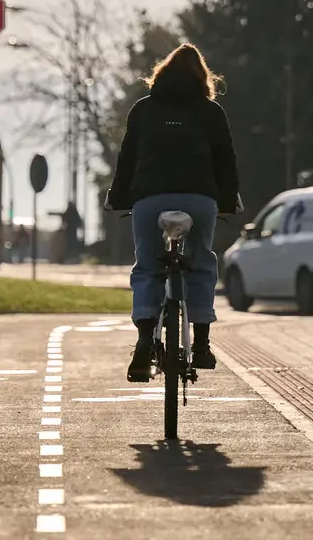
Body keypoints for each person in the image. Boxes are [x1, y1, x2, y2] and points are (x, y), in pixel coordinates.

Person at [104, 43, 241, 382]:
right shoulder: (212, 112)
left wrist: (118, 196)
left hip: (150, 199)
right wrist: (227, 200)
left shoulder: (143, 110)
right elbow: (225, 162)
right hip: (200, 199)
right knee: (202, 265)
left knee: (148, 268)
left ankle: (142, 344)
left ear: (160, 75)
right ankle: (202, 345)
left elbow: (128, 160)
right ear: (203, 78)